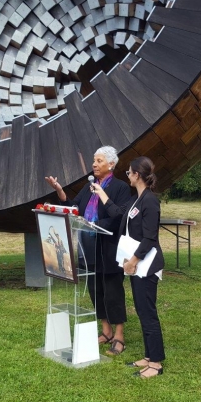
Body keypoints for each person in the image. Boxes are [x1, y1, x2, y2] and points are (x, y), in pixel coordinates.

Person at [45, 146, 131, 355]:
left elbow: (118, 217)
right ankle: (106, 331)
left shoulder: (120, 188)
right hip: (89, 249)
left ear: (111, 164)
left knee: (112, 291)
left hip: (109, 249)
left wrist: (94, 223)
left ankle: (119, 335)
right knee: (95, 290)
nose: (94, 164)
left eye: (99, 161)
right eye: (94, 160)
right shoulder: (90, 186)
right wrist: (60, 191)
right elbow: (75, 208)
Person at [92, 156, 166, 378]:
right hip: (135, 266)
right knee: (142, 312)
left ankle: (156, 364)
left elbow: (150, 237)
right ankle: (148, 355)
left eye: (129, 173)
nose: (128, 177)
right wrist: (102, 194)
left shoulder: (150, 201)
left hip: (145, 265)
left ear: (136, 175)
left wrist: (133, 260)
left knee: (148, 313)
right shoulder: (138, 199)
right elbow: (118, 214)